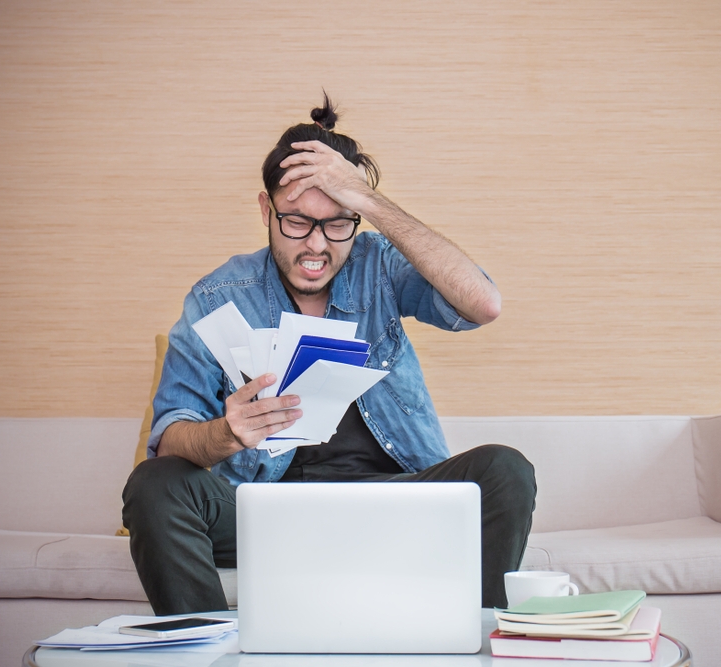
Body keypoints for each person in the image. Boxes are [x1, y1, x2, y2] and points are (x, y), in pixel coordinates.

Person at [122, 96, 537, 616]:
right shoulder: (218, 296)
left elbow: (483, 303)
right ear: (264, 210)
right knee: (154, 483)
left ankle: (472, 642)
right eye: (295, 221)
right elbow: (172, 436)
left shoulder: (378, 267)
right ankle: (202, 645)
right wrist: (226, 433)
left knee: (505, 469)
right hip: (267, 515)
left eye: (338, 224)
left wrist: (369, 201)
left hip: (394, 507)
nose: (316, 246)